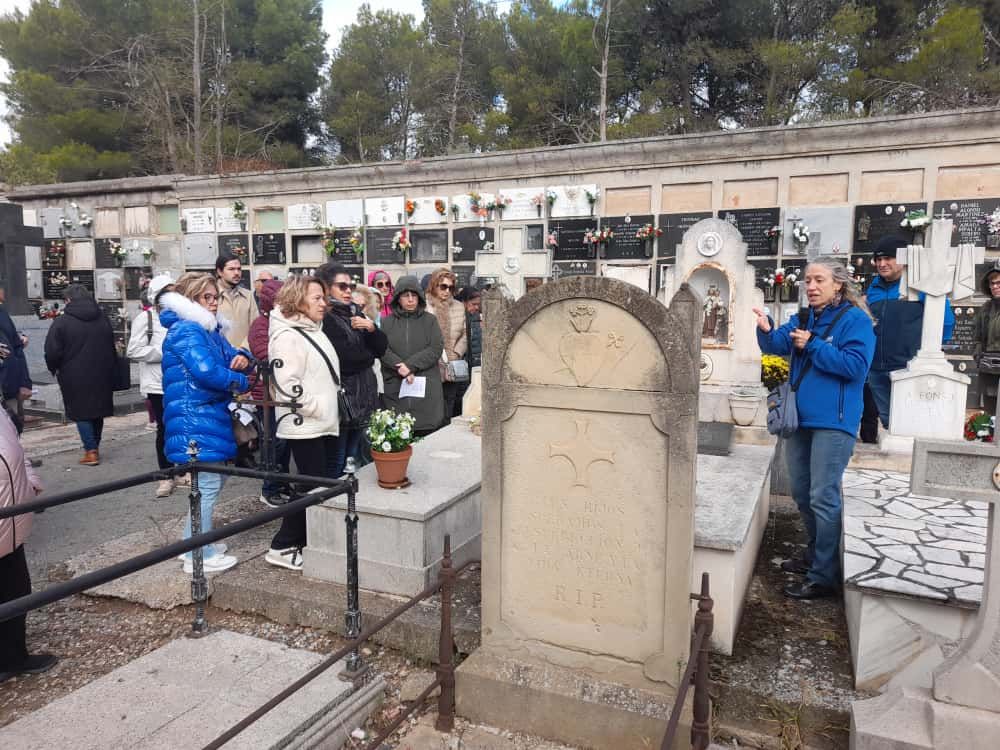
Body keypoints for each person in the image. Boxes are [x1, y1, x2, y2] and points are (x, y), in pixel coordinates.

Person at [754, 259, 875, 599]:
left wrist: (815, 345)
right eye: (807, 280)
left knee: (823, 496)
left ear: (839, 284)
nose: (811, 286)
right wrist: (766, 329)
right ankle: (815, 554)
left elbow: (855, 367)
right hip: (799, 420)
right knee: (802, 493)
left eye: (819, 280)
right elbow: (776, 345)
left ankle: (824, 575)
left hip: (834, 423)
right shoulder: (805, 318)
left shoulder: (856, 321)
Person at [160, 272, 252, 574]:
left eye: (216, 297)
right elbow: (207, 371)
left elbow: (231, 354)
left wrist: (244, 357)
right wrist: (240, 380)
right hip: (195, 416)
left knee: (214, 481)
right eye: (206, 297)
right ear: (190, 300)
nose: (213, 303)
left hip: (206, 414)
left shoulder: (207, 328)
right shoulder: (188, 329)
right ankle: (197, 553)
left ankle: (194, 541)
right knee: (209, 485)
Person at [266, 274, 340, 571]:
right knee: (309, 484)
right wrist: (317, 407)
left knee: (315, 483)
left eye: (324, 298)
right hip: (304, 422)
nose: (323, 304)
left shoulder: (311, 328)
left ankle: (304, 540)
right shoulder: (288, 335)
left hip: (318, 421)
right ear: (298, 300)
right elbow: (286, 383)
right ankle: (282, 546)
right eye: (317, 298)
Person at [864, 235, 954, 435]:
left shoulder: (920, 286)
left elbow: (945, 321)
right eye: (878, 259)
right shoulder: (874, 288)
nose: (882, 264)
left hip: (908, 368)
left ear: (903, 260)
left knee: (910, 426)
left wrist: (928, 353)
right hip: (877, 368)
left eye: (888, 258)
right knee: (889, 424)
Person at [315, 264, 387, 477]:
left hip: (363, 394)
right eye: (342, 286)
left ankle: (348, 494)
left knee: (352, 456)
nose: (348, 291)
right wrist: (369, 355)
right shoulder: (326, 317)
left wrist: (371, 329)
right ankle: (331, 495)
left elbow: (382, 348)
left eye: (351, 286)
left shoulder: (354, 311)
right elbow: (346, 359)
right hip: (344, 397)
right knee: (337, 458)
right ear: (327, 288)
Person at [0, 408, 54, 684]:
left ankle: (12, 657)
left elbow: (16, 449)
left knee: (17, 589)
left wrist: (29, 481)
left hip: (11, 523)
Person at [43, 284, 117, 466]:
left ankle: (91, 451)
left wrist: (54, 367)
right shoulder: (102, 318)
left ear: (68, 300)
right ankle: (95, 446)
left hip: (73, 374)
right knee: (97, 410)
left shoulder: (62, 322)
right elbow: (111, 345)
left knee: (81, 412)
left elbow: (52, 351)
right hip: (102, 371)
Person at [126, 273, 176, 498]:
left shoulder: (180, 316)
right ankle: (166, 475)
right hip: (157, 384)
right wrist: (163, 353)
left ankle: (182, 470)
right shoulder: (144, 319)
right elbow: (133, 350)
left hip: (178, 381)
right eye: (168, 293)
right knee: (164, 429)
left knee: (180, 427)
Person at [381, 275, 445, 436]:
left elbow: (435, 348)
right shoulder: (387, 322)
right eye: (405, 295)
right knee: (398, 434)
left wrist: (409, 366)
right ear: (398, 298)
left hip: (425, 385)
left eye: (414, 295)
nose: (410, 300)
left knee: (426, 435)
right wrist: (399, 366)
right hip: (396, 384)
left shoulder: (430, 321)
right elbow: (382, 349)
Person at [247, 279, 292, 507]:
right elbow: (267, 358)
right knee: (274, 441)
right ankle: (269, 487)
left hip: (283, 393)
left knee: (286, 441)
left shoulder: (283, 323)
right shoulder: (260, 326)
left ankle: (282, 481)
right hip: (267, 394)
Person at [425, 268, 467, 419]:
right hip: (430, 365)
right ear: (434, 285)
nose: (447, 291)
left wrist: (456, 353)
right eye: (443, 286)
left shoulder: (458, 306)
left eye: (451, 287)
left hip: (452, 363)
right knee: (431, 406)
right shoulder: (424, 306)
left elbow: (465, 334)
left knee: (449, 404)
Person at [0, 281, 31, 433]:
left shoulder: (2, 313)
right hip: (5, 382)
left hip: (9, 386)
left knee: (13, 428)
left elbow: (15, 347)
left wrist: (24, 383)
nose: (3, 292)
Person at [215, 252, 259, 349]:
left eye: (239, 269)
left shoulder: (248, 296)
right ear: (220, 272)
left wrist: (244, 351)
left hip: (244, 354)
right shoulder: (211, 296)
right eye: (231, 269)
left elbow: (255, 328)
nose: (236, 273)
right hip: (219, 354)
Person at [973, 261, 1000, 417]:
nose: (995, 286)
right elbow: (977, 334)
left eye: (999, 283)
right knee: (991, 409)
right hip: (988, 366)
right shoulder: (985, 309)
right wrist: (977, 350)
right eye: (992, 283)